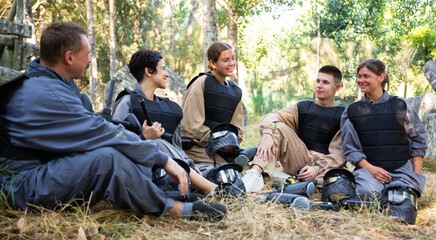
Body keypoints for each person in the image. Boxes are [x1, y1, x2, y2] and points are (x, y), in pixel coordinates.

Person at [0, 22, 226, 221]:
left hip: (43, 169)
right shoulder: (47, 93)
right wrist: (164, 160)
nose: (90, 59)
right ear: (69, 58)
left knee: (119, 148)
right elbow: (103, 133)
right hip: (22, 185)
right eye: (87, 54)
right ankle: (170, 208)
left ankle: (160, 192)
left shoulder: (52, 82)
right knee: (108, 157)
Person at [112, 49, 236, 197]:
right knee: (156, 143)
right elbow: (114, 144)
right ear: (149, 71)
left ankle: (201, 183)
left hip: (179, 166)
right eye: (163, 69)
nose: (167, 74)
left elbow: (177, 146)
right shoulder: (127, 102)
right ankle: (211, 190)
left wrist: (189, 163)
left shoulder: (171, 109)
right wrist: (143, 137)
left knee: (224, 171)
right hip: (140, 169)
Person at [242, 65, 347, 192]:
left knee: (338, 182)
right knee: (277, 127)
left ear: (337, 87)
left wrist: (317, 169)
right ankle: (255, 174)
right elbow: (272, 116)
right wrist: (267, 135)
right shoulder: (302, 107)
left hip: (325, 166)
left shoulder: (344, 115)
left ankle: (289, 180)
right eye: (318, 81)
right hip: (300, 159)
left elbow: (339, 154)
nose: (319, 85)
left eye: (325, 83)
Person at [340, 59, 426, 200]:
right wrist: (372, 170)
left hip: (401, 168)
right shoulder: (352, 111)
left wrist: (416, 176)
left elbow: (418, 140)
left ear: (381, 77)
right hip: (368, 170)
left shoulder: (401, 104)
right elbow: (350, 149)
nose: (361, 80)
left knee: (400, 198)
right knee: (368, 195)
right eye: (359, 76)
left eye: (366, 76)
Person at [181, 42, 245, 167]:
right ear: (213, 64)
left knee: (246, 169)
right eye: (226, 60)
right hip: (197, 148)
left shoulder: (235, 91)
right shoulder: (201, 83)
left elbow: (238, 128)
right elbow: (191, 126)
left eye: (233, 58)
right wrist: (221, 142)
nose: (232, 63)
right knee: (228, 173)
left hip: (223, 150)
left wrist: (232, 143)